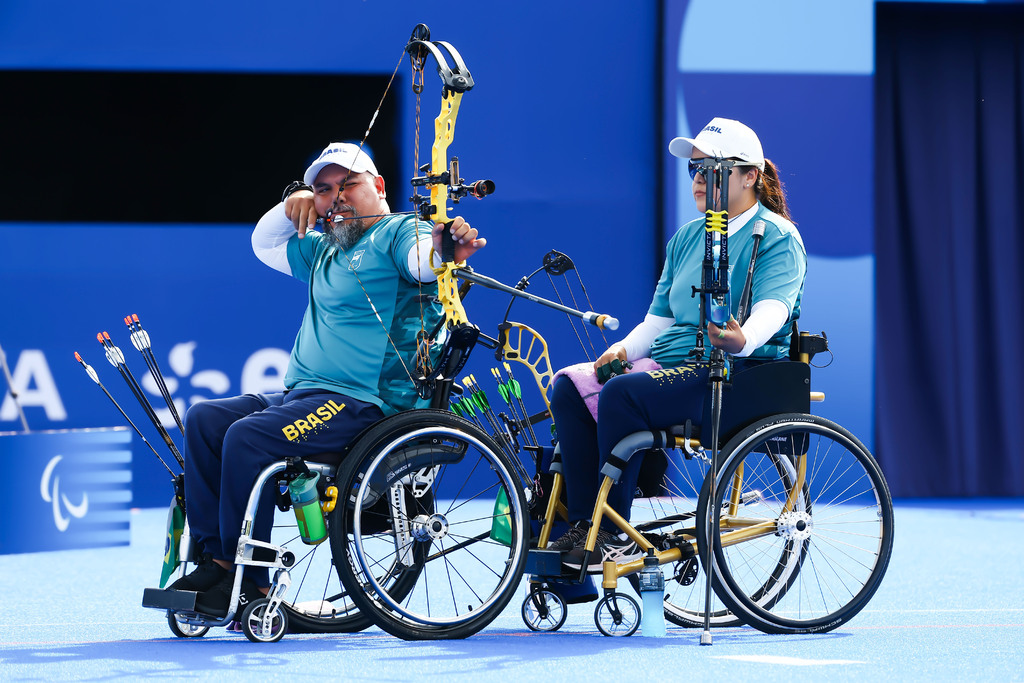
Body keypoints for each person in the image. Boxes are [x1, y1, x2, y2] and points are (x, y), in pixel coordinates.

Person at [166, 142, 486, 615]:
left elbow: (425, 259)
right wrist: (291, 200)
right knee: (205, 420)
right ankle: (214, 561)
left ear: (378, 186)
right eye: (324, 190)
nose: (336, 198)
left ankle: (247, 581)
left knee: (247, 437)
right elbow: (263, 242)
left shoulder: (400, 231)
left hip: (365, 405)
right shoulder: (322, 250)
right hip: (306, 398)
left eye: (347, 185)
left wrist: (444, 248)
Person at [548, 118, 806, 573]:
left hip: (736, 373)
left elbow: (775, 307)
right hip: (675, 364)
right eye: (695, 170)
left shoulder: (778, 235)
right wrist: (623, 351)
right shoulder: (687, 237)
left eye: (715, 170)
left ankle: (611, 534)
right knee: (570, 387)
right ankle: (584, 525)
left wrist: (741, 339)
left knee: (621, 394)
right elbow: (660, 318)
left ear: (751, 177)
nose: (701, 180)